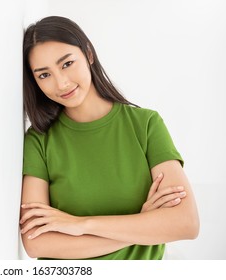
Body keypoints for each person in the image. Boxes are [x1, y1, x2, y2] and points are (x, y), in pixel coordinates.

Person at [19, 16, 199, 260]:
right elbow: (37, 243)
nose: (61, 83)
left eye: (67, 63)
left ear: (89, 54)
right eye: (43, 75)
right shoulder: (39, 140)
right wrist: (142, 224)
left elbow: (185, 223)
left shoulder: (145, 125)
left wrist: (81, 225)